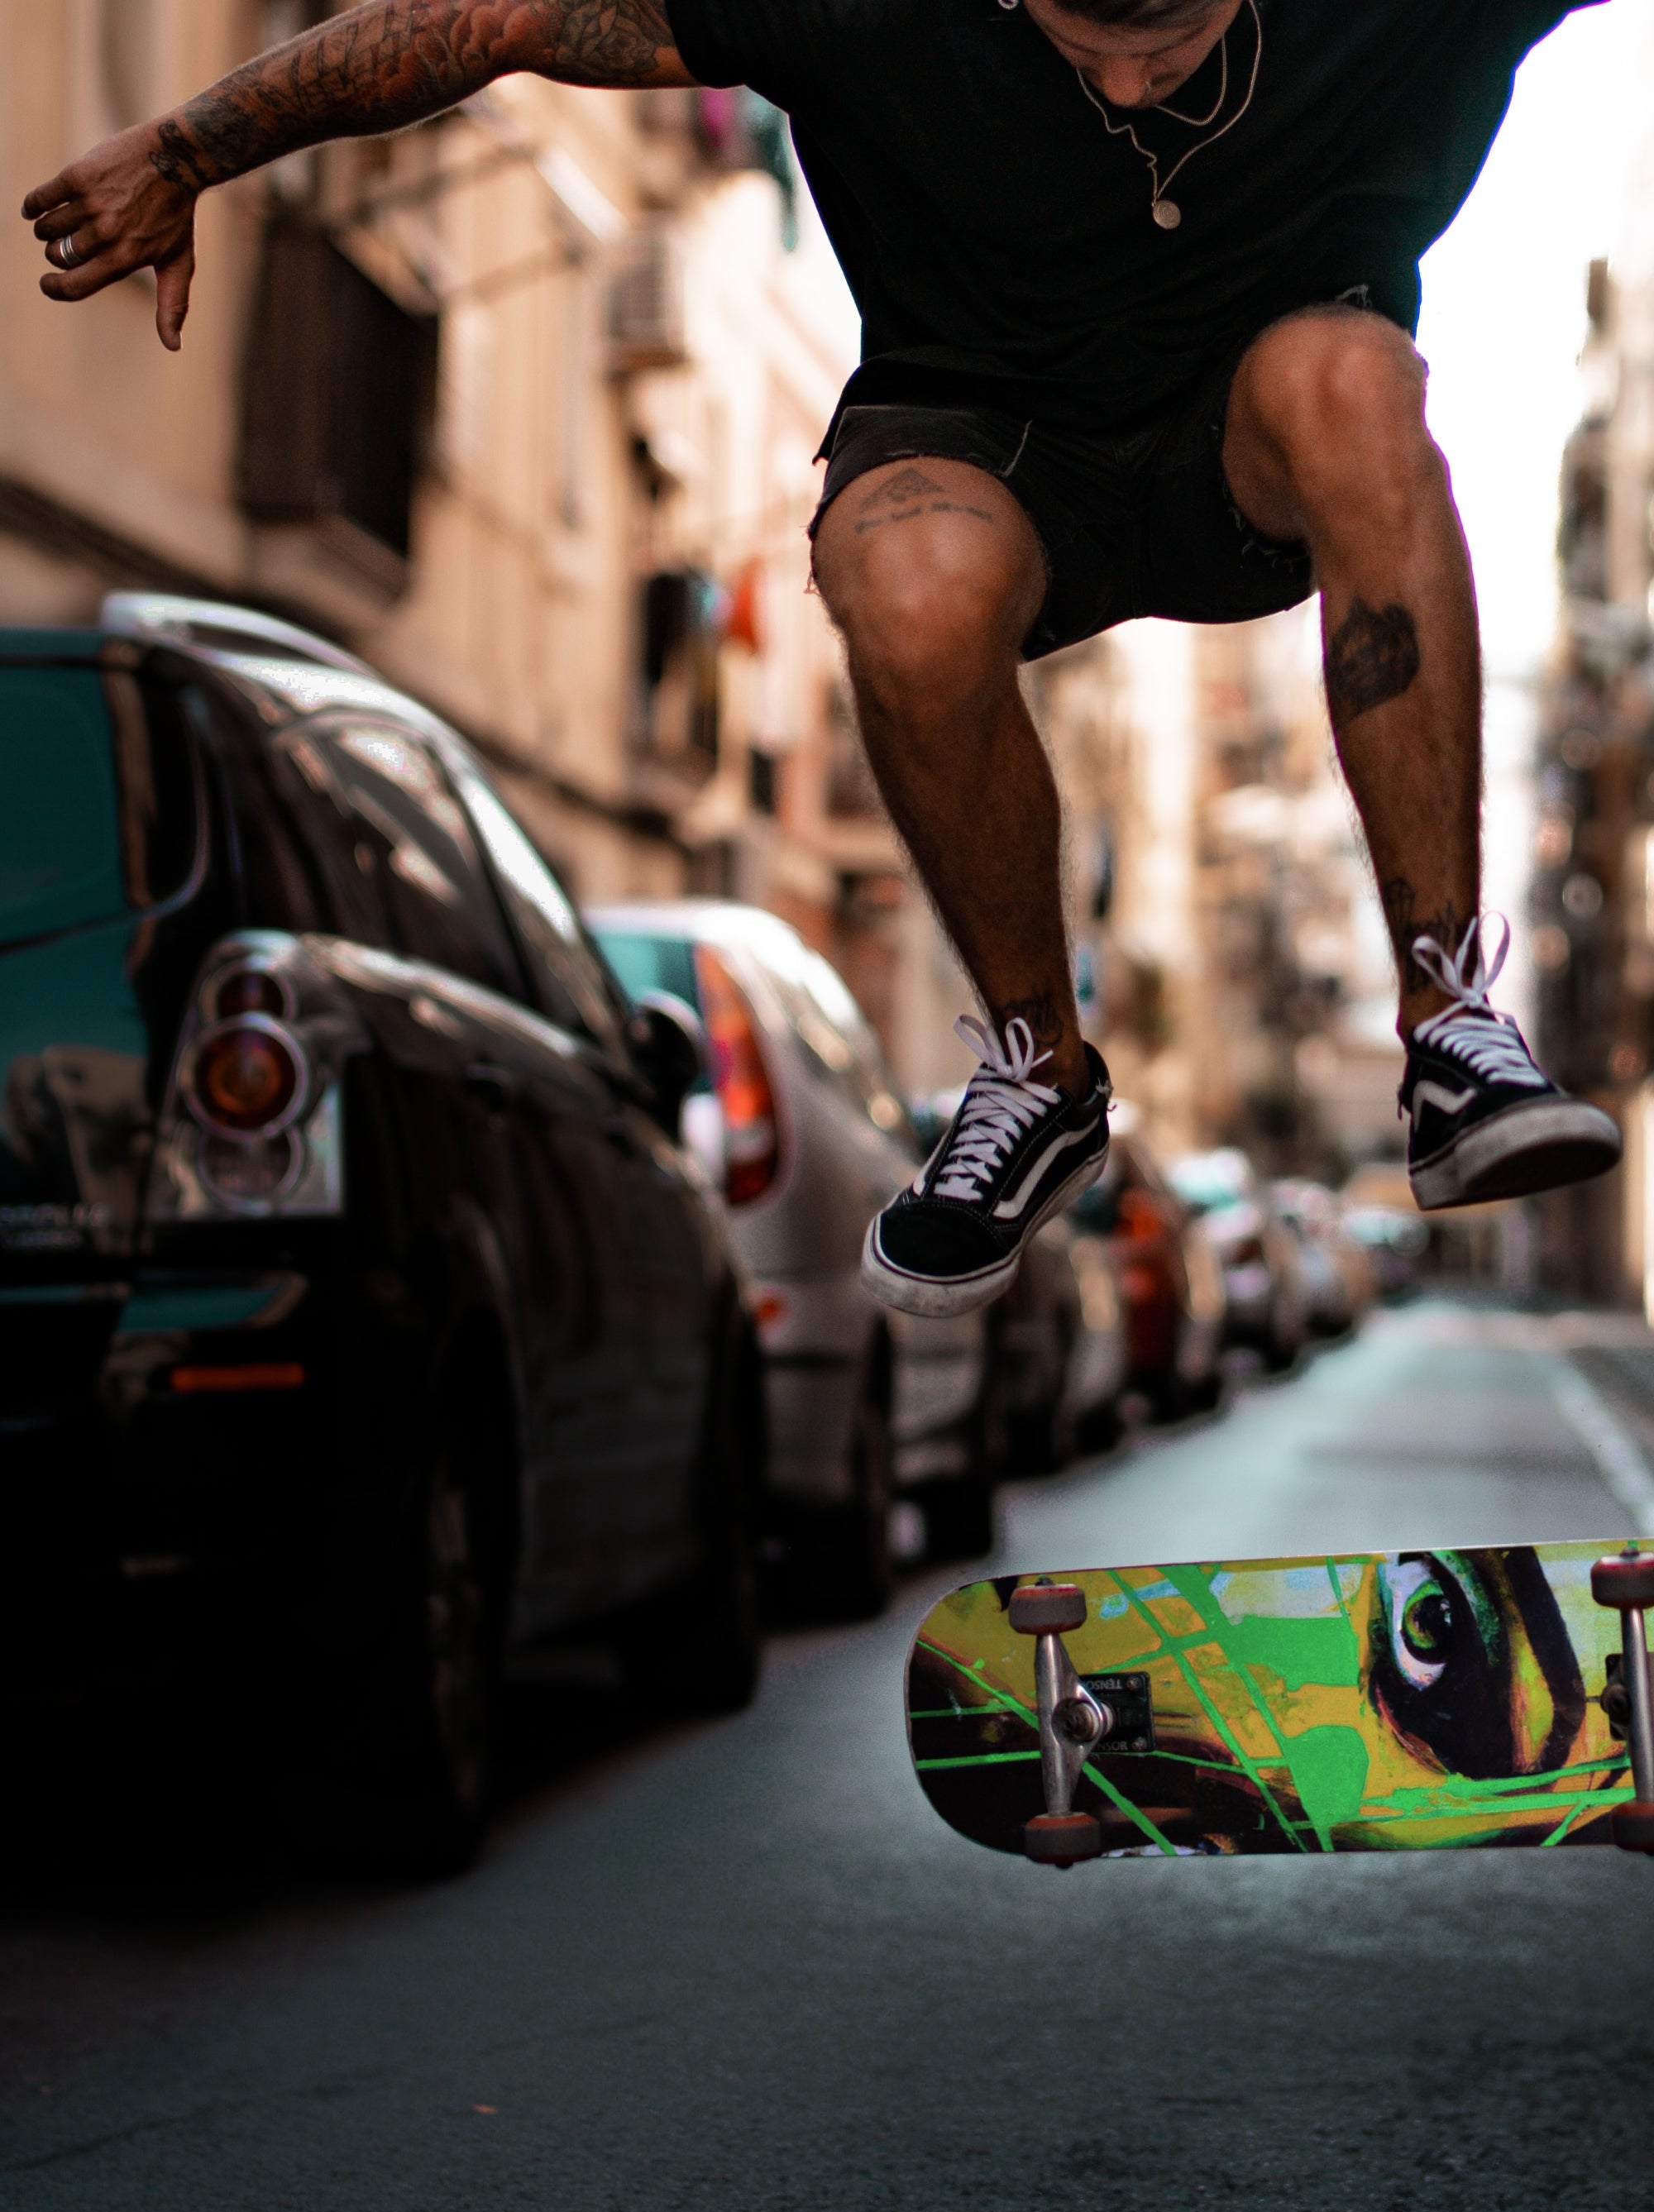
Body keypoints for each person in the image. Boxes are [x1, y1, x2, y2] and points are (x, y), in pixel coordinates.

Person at [23, 0, 1623, 1320]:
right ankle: (1035, 1073)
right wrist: (186, 145)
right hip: (991, 447)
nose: (1128, 70)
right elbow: (491, 19)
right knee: (904, 571)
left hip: (1257, 450)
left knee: (1354, 378)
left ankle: (1446, 1027)